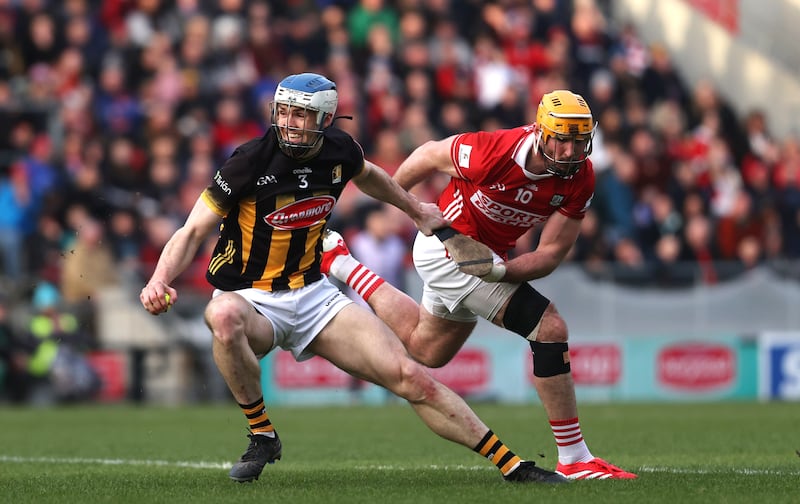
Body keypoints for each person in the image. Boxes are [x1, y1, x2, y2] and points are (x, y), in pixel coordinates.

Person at [139, 73, 567, 484]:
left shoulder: (339, 150)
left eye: (302, 114)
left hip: (313, 296)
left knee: (410, 376)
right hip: (250, 298)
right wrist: (159, 278)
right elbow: (192, 230)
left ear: (325, 119)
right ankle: (263, 435)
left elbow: (371, 176)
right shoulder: (249, 161)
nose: (290, 122)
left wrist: (415, 209)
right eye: (285, 111)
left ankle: (512, 465)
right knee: (224, 317)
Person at [322, 89, 638, 480]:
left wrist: (501, 273)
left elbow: (551, 253)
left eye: (579, 141)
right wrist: (399, 205)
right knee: (549, 327)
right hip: (445, 247)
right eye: (563, 139)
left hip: (486, 262)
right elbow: (427, 154)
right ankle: (575, 458)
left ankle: (341, 263)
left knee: (427, 350)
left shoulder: (580, 178)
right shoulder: (495, 151)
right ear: (541, 132)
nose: (572, 151)